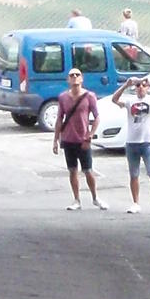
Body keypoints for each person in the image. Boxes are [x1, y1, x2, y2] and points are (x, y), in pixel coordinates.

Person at [111, 72, 150, 213]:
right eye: (138, 86)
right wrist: (126, 84)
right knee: (134, 174)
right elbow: (114, 99)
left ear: (147, 88)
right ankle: (136, 202)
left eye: (143, 86)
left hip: (148, 142)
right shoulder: (130, 101)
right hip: (132, 142)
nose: (141, 88)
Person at [52, 67, 104, 208]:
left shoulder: (89, 96)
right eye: (71, 75)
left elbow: (97, 117)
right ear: (68, 80)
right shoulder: (63, 97)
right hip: (68, 139)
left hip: (83, 140)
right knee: (72, 170)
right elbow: (59, 119)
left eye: (77, 74)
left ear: (82, 78)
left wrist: (90, 134)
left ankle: (95, 197)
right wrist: (56, 140)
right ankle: (77, 200)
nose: (74, 77)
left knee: (88, 170)